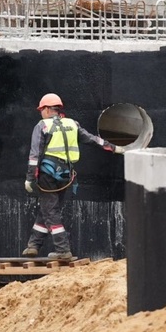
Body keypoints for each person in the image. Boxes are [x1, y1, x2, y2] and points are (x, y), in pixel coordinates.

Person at [23, 92, 124, 259]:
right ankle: (33, 245)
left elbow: (34, 156)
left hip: (47, 176)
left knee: (51, 211)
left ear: (48, 109)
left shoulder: (42, 126)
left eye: (41, 109)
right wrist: (115, 148)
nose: (41, 112)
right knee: (47, 209)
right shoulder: (73, 124)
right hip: (65, 176)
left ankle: (63, 250)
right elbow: (93, 140)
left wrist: (30, 179)